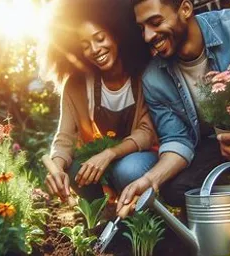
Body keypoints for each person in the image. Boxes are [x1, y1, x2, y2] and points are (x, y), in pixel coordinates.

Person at [117, 0, 230, 212]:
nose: (148, 36)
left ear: (185, 9)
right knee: (175, 188)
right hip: (218, 146)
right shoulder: (153, 79)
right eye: (142, 28)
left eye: (155, 22)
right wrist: (149, 180)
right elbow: (177, 141)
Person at [39, 0, 157, 202]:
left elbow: (147, 133)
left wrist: (109, 153)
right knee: (76, 169)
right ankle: (102, 218)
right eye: (85, 46)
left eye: (100, 38)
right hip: (104, 160)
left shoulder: (144, 75)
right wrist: (56, 168)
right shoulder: (76, 86)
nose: (94, 49)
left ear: (117, 35)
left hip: (141, 156)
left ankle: (144, 221)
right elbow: (64, 139)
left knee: (127, 170)